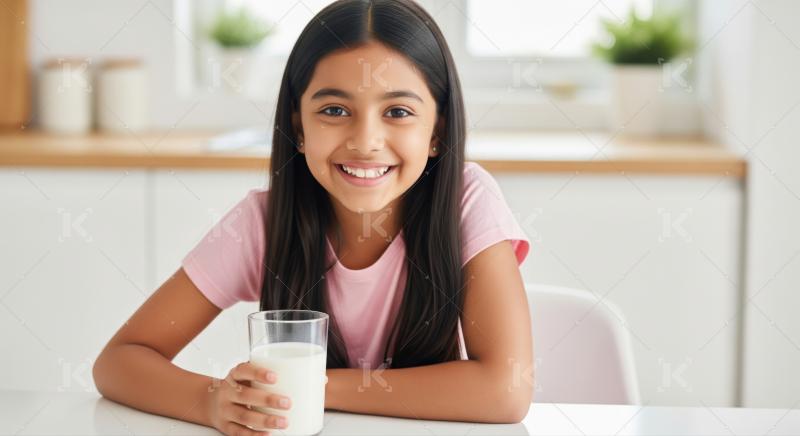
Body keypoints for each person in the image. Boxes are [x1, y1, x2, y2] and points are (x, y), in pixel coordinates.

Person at [93, 1, 533, 434]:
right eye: (334, 111)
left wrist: (313, 385)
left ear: (436, 132)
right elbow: (119, 361)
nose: (365, 141)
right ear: (299, 130)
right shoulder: (262, 222)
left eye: (397, 112)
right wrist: (210, 402)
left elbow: (505, 391)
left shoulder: (467, 200)